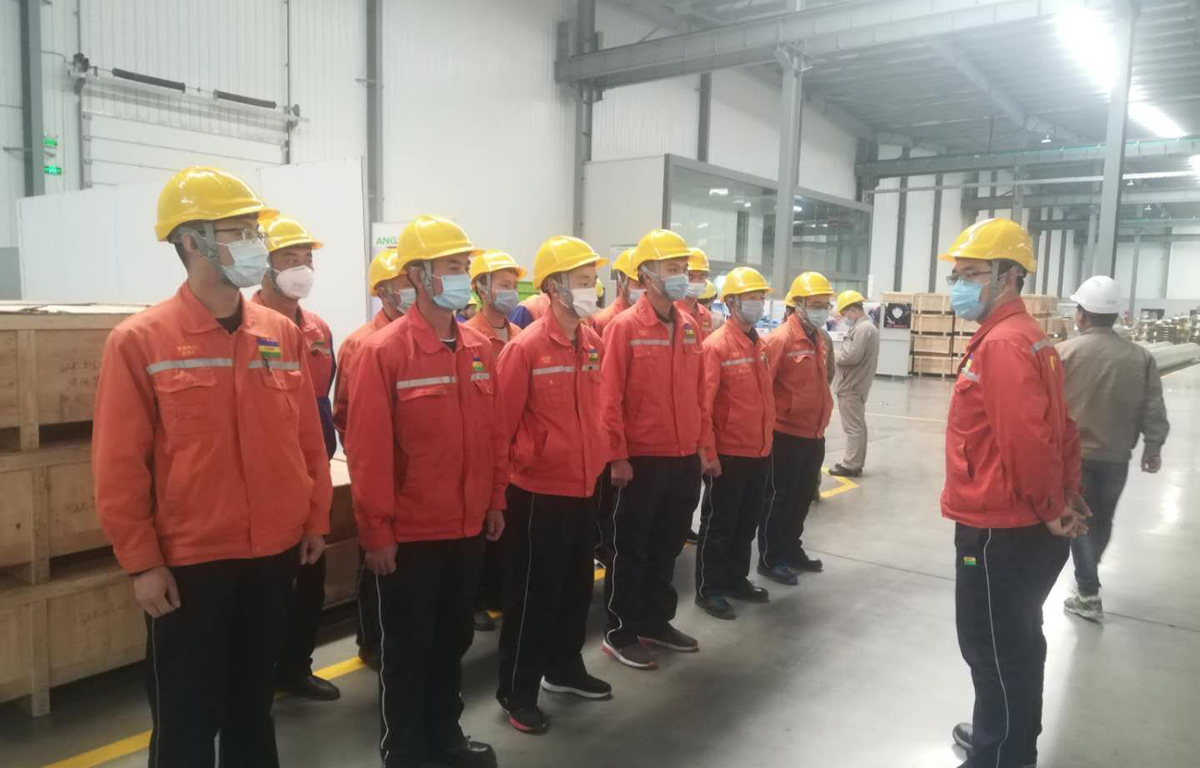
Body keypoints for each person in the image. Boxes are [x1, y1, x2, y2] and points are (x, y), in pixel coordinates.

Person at [93, 166, 332, 767]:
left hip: (273, 553)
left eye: (255, 229)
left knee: (254, 705)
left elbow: (307, 439)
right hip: (191, 564)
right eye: (239, 230)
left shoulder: (280, 334)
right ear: (191, 240)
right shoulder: (139, 341)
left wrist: (314, 518)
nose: (256, 241)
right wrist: (142, 563)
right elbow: (119, 466)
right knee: (186, 715)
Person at [346, 214, 507, 768]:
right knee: (408, 648)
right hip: (411, 533)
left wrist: (495, 500)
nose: (463, 275)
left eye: (465, 265)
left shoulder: (478, 347)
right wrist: (376, 533)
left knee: (452, 639)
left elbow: (493, 434)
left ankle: (445, 737)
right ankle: (405, 751)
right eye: (451, 266)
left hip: (466, 525)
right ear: (417, 275)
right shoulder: (383, 352)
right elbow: (368, 453)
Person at [939, 218, 1089, 768]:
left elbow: (1027, 439)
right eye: (957, 275)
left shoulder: (1002, 344)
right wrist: (1067, 493)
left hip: (1000, 526)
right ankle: (1004, 738)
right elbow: (1062, 428)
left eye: (970, 275)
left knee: (993, 647)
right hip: (1019, 521)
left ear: (1008, 278)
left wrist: (1052, 507)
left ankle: (999, 756)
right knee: (1019, 640)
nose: (958, 285)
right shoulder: (1028, 336)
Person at [494, 235, 612, 734]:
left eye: (593, 280)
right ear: (554, 287)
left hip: (584, 485)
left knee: (574, 589)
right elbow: (500, 428)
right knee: (533, 596)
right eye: (583, 281)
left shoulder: (593, 344)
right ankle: (517, 690)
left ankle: (564, 668)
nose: (593, 289)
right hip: (538, 492)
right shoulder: (525, 349)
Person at [598, 228, 704, 669]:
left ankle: (655, 622)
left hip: (683, 457)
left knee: (667, 545)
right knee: (631, 549)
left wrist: (701, 448)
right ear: (645, 275)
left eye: (683, 268)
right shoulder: (624, 328)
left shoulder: (690, 327)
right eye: (672, 268)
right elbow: (608, 397)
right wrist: (617, 455)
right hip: (640, 460)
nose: (681, 276)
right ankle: (620, 631)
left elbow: (699, 394)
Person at [246, 215, 341, 703]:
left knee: (310, 581)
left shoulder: (317, 328)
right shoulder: (246, 326)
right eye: (289, 258)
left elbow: (319, 401)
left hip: (312, 469)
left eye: (307, 259)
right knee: (266, 595)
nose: (302, 267)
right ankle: (257, 681)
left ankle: (295, 669)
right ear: (265, 266)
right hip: (266, 478)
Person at [1058, 275, 1169, 622]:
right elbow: (1153, 406)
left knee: (1076, 520)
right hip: (1116, 457)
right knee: (1101, 519)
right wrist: (1153, 447)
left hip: (1074, 458)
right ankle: (1087, 577)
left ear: (1081, 314)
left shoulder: (1064, 353)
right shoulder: (1140, 357)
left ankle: (1088, 591)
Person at [333, 247, 414, 671]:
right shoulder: (362, 344)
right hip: (381, 473)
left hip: (417, 481)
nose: (411, 289)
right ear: (382, 291)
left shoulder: (422, 339)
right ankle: (372, 640)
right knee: (378, 563)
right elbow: (348, 416)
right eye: (403, 283)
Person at [693, 267, 775, 621]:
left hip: (758, 449)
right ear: (731, 303)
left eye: (761, 297)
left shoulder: (760, 344)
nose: (758, 303)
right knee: (720, 524)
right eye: (751, 297)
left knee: (747, 521)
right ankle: (709, 588)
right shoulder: (716, 346)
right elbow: (704, 405)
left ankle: (736, 578)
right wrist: (708, 453)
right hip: (727, 453)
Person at [758, 271, 834, 585]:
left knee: (802, 497)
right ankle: (771, 557)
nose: (822, 310)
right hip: (785, 434)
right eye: (816, 304)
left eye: (825, 304)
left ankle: (791, 548)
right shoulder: (780, 339)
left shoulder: (818, 339)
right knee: (780, 499)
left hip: (814, 433)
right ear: (798, 304)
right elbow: (762, 386)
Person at [465, 249, 527, 633]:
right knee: (478, 528)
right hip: (483, 443)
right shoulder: (471, 337)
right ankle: (473, 599)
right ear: (481, 289)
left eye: (513, 284)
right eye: (504, 284)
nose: (511, 291)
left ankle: (497, 592)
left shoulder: (520, 336)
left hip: (516, 448)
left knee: (506, 527)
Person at [829, 290, 879, 478]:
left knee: (852, 427)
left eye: (844, 314)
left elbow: (851, 356)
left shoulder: (862, 329)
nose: (844, 318)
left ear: (853, 310)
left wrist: (832, 355)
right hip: (857, 383)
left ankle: (850, 465)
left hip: (851, 384)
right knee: (858, 425)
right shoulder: (867, 328)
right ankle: (856, 462)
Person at [677, 247, 715, 339]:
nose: (696, 282)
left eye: (701, 276)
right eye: (691, 276)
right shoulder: (672, 312)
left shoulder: (706, 315)